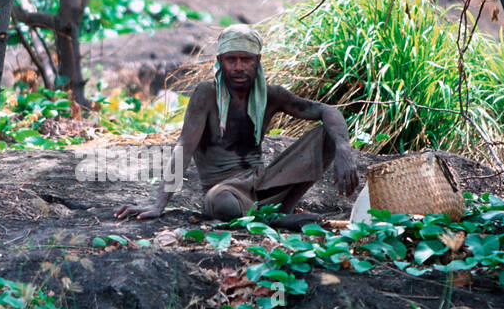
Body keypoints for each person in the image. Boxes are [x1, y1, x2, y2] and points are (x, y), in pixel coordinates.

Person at [114, 24, 360, 226]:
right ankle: (275, 222)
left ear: (258, 61)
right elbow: (184, 148)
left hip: (264, 183)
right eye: (231, 59)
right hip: (225, 190)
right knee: (223, 204)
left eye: (246, 59)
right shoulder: (206, 94)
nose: (239, 66)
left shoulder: (272, 95)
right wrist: (159, 205)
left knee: (329, 135)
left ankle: (285, 210)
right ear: (220, 61)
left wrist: (343, 149)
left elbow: (327, 111)